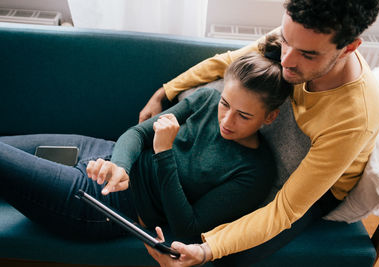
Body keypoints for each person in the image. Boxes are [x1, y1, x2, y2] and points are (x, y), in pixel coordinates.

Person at [142, 0, 379, 266]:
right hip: (267, 145)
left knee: (229, 256)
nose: (286, 60)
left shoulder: (355, 116)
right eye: (285, 41)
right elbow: (227, 62)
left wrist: (208, 249)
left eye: (307, 55)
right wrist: (165, 92)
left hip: (321, 188)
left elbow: (286, 209)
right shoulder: (297, 37)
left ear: (348, 48)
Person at [0, 49, 291, 242]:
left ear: (270, 117)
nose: (227, 119)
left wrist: (164, 153)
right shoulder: (206, 100)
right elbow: (138, 134)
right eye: (225, 104)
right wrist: (120, 167)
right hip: (101, 155)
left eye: (244, 115)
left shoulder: (254, 171)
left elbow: (187, 230)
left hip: (107, 205)